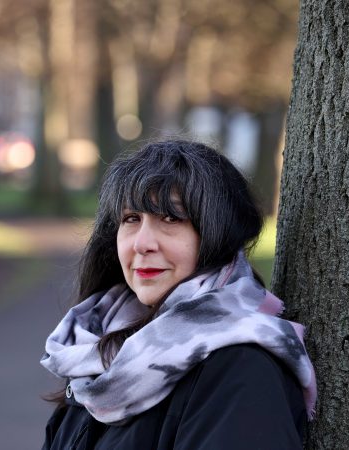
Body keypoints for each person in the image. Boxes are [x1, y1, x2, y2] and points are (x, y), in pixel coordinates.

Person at [41, 140, 317, 449]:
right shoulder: (95, 350)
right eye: (131, 219)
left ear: (217, 235)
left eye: (171, 218)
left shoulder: (241, 371)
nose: (142, 243)